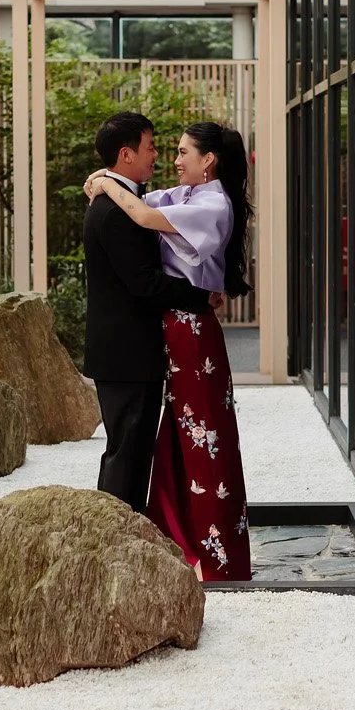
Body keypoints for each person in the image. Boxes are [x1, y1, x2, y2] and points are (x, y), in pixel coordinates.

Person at [86, 122, 253, 582]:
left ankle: (217, 557)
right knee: (179, 444)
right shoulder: (185, 195)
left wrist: (102, 181)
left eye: (182, 152)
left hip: (192, 333)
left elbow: (138, 215)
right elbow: (137, 200)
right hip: (176, 329)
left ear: (208, 160)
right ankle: (181, 544)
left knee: (205, 441)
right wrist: (109, 182)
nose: (172, 159)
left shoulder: (212, 203)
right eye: (166, 150)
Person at [82, 112, 211, 515]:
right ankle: (114, 542)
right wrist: (202, 296)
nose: (156, 155)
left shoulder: (119, 200)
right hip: (128, 354)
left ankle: (116, 541)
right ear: (126, 154)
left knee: (129, 452)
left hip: (125, 353)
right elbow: (145, 283)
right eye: (151, 146)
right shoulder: (116, 211)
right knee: (128, 454)